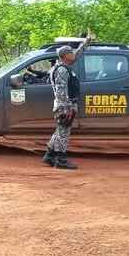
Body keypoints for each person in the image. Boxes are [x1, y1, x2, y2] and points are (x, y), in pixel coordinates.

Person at [44, 32, 93, 170]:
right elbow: (61, 91)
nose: (73, 54)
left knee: (60, 131)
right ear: (65, 56)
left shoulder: (63, 66)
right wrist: (67, 109)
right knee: (63, 133)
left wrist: (86, 42)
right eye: (71, 52)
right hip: (64, 106)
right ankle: (61, 160)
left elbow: (77, 54)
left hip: (64, 105)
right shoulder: (62, 70)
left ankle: (49, 155)